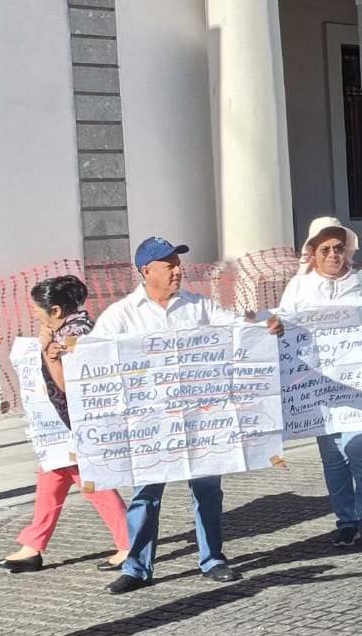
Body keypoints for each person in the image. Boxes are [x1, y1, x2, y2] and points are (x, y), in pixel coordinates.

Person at [90, 236, 283, 594]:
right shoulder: (121, 315)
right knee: (145, 495)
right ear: (146, 271)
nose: (178, 271)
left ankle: (213, 559)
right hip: (150, 425)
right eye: (169, 265)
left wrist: (263, 325)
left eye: (178, 264)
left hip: (200, 419)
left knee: (208, 490)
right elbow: (95, 359)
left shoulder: (198, 306)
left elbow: (236, 328)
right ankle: (137, 568)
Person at [0, 276, 130, 573]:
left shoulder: (76, 334)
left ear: (55, 310)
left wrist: (47, 354)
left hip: (73, 425)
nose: (35, 314)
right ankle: (33, 545)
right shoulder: (66, 330)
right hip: (59, 426)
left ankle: (129, 542)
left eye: (38, 309)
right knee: (51, 480)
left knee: (91, 484)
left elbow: (71, 386)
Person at [277, 217, 362, 548]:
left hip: (358, 386)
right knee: (334, 458)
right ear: (312, 252)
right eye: (325, 249)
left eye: (339, 248)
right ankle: (346, 521)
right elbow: (282, 329)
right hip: (318, 390)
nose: (332, 255)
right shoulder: (299, 287)